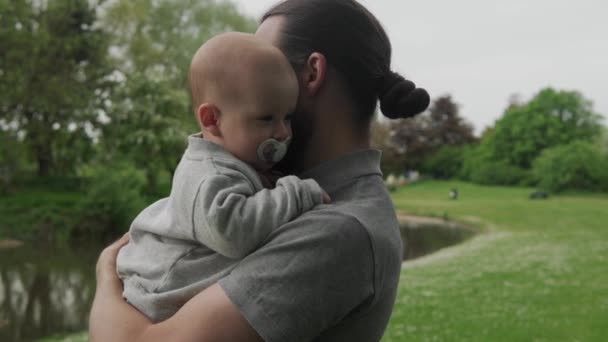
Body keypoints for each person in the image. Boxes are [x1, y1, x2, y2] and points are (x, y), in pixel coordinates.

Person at [90, 0, 430, 340]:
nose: (243, 80)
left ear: (312, 73)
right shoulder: (276, 188)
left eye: (266, 63)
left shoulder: (339, 228)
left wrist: (107, 276)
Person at [116, 32, 330, 323]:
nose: (283, 132)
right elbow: (232, 232)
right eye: (266, 118)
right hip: (156, 295)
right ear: (212, 120)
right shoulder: (208, 173)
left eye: (288, 117)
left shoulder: (233, 163)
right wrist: (295, 194)